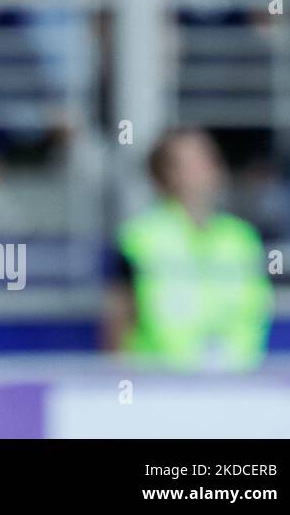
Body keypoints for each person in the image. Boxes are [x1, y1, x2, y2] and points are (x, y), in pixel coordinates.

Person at [102, 128, 274, 370]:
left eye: (209, 158)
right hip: (159, 386)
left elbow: (255, 314)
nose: (207, 168)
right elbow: (117, 322)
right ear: (165, 174)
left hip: (234, 385)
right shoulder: (138, 239)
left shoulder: (242, 238)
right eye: (192, 162)